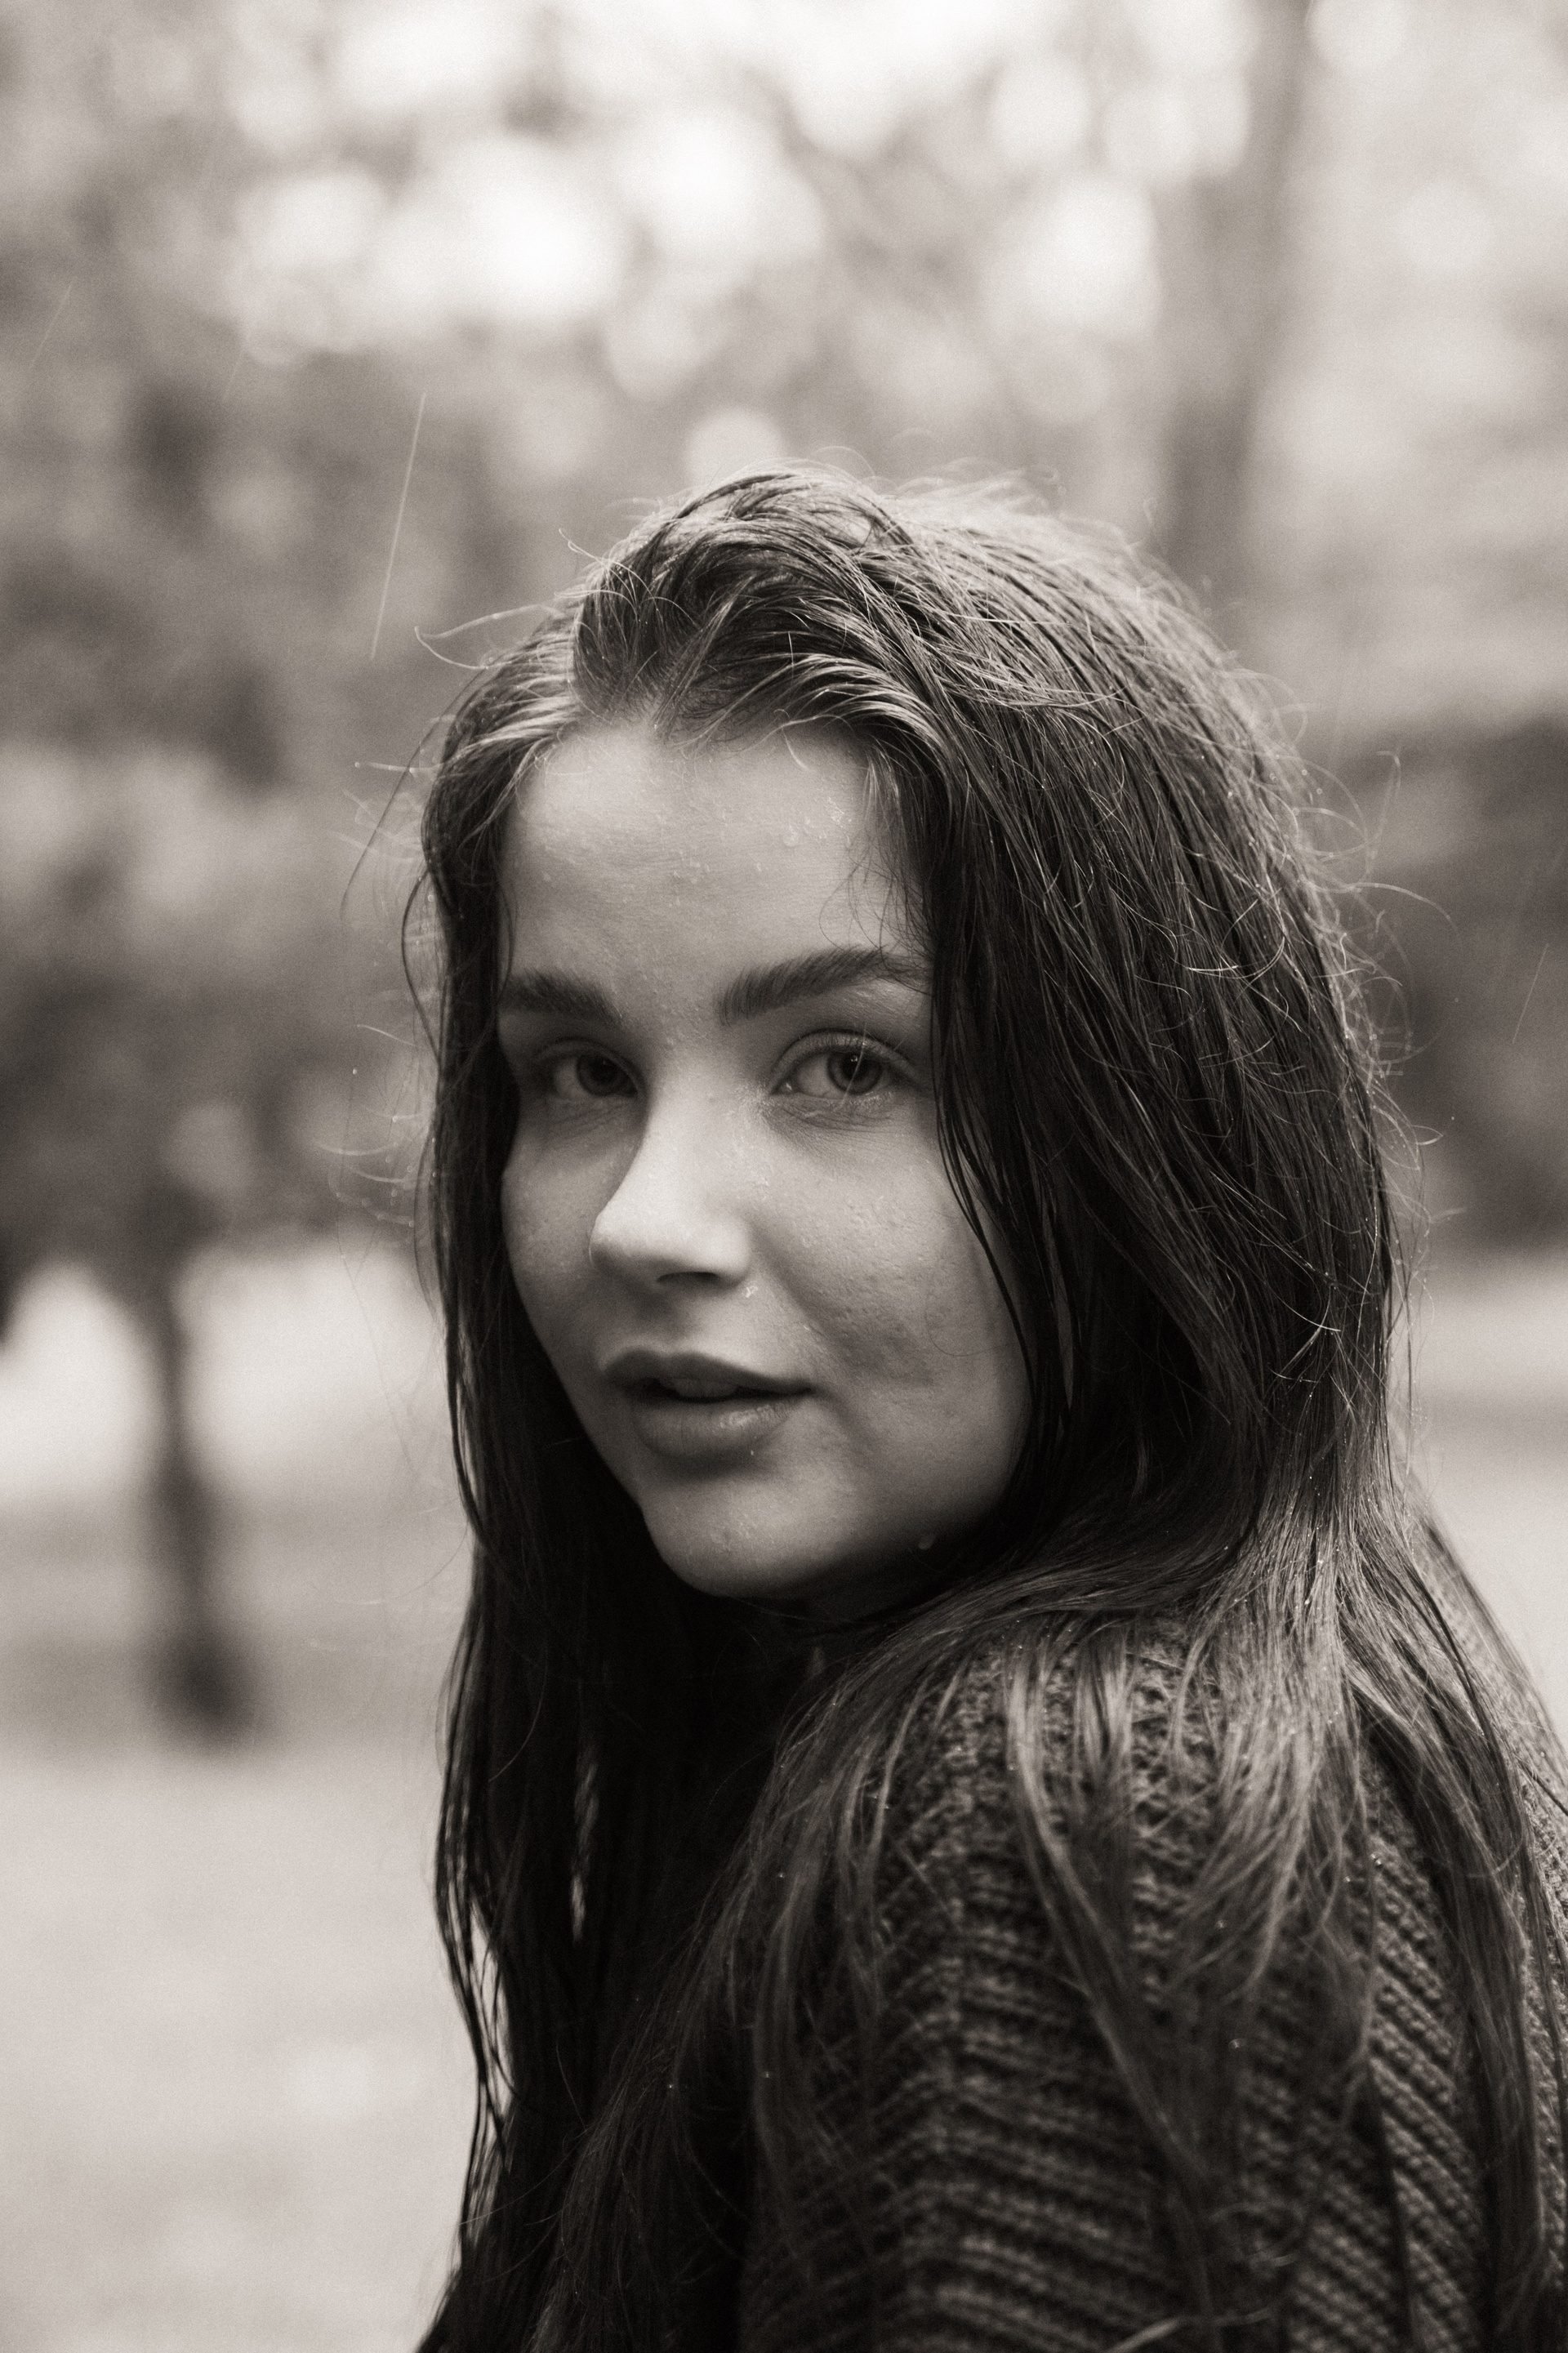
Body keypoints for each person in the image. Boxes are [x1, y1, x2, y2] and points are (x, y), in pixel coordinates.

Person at [412, 469, 1568, 2353]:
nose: (644, 1220)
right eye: (583, 1071)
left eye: (843, 1064)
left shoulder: (1089, 1833)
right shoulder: (1119, 1695)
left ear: (1148, 1119)